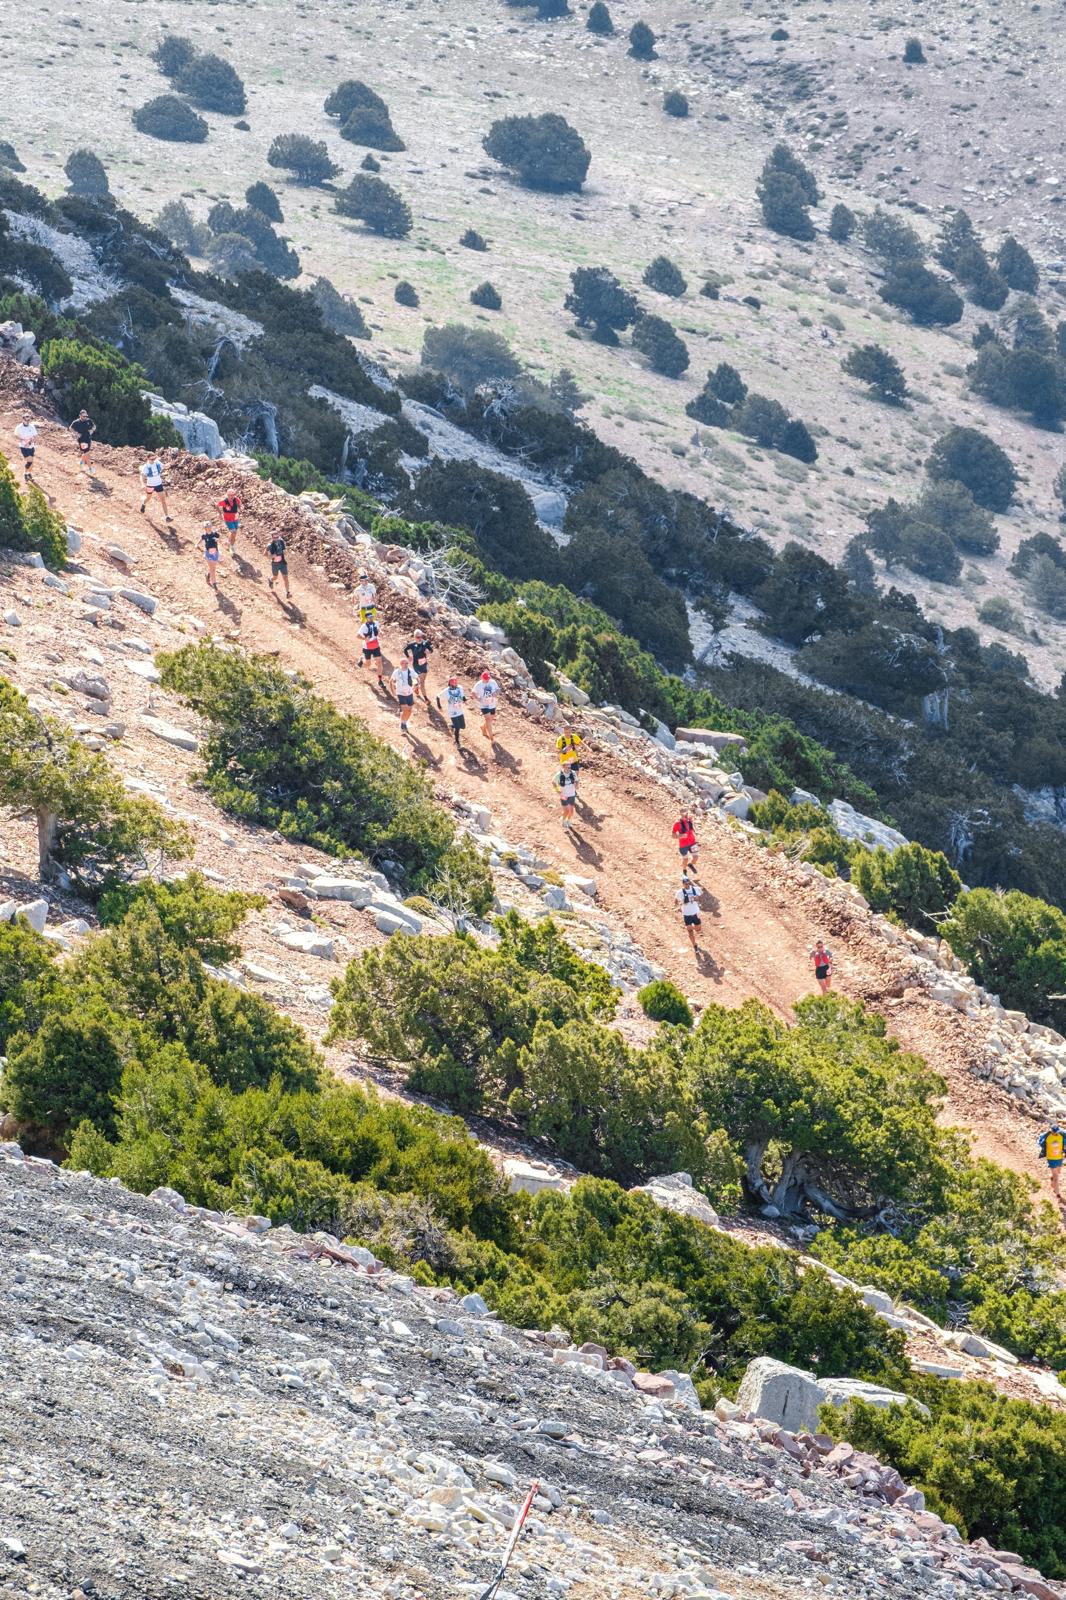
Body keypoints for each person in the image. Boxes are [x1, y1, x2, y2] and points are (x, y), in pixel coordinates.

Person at [139, 455, 173, 525]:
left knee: (163, 500)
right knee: (148, 498)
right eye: (152, 459)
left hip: (158, 484)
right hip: (150, 485)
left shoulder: (157, 462)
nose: (153, 460)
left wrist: (168, 465)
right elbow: (142, 476)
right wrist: (142, 484)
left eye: (154, 458)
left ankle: (167, 517)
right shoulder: (146, 467)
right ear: (148, 458)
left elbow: (163, 466)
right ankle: (143, 503)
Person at [1039, 1123, 1066, 1204]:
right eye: (1054, 1132)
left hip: (1059, 1158)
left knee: (1058, 1173)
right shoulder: (1047, 1136)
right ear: (1051, 1131)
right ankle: (1058, 1195)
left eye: (1056, 1132)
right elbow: (1040, 1142)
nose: (1055, 1133)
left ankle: (1052, 1179)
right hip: (1051, 1159)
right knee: (1056, 1177)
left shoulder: (1062, 1135)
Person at [437, 676, 466, 749]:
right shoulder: (446, 691)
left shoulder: (460, 688)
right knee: (458, 728)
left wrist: (464, 700)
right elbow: (438, 697)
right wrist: (439, 706)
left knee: (463, 726)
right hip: (452, 712)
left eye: (456, 684)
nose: (455, 685)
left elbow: (463, 697)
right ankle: (457, 742)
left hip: (460, 710)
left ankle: (451, 726)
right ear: (450, 684)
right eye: (454, 684)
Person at [472, 669, 499, 745]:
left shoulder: (493, 682)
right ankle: (491, 738)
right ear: (482, 678)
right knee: (488, 719)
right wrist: (479, 699)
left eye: (488, 678)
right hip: (484, 705)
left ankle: (483, 728)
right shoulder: (478, 685)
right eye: (486, 679)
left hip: (492, 703)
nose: (487, 680)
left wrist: (495, 693)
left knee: (491, 718)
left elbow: (498, 690)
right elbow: (473, 692)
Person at [404, 629, 433, 700]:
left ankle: (416, 686)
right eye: (417, 637)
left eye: (421, 637)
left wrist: (429, 651)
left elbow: (431, 650)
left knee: (422, 680)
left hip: (424, 665)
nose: (420, 638)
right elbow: (405, 649)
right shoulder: (412, 644)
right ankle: (426, 699)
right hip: (417, 665)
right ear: (414, 637)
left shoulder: (425, 643)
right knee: (422, 682)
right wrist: (408, 657)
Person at [676, 874, 702, 953]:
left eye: (688, 883)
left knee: (698, 929)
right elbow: (676, 901)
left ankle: (692, 927)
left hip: (695, 913)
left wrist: (696, 898)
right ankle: (695, 946)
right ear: (683, 884)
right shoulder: (680, 892)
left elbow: (700, 896)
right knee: (690, 931)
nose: (687, 885)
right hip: (686, 914)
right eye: (685, 883)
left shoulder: (695, 889)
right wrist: (682, 902)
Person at [391, 659, 417, 734]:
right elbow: (391, 681)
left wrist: (416, 685)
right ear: (401, 664)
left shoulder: (410, 671)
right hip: (401, 694)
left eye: (407, 663)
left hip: (409, 693)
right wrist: (393, 692)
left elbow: (417, 678)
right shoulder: (397, 672)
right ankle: (402, 724)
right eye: (404, 663)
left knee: (409, 711)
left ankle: (404, 723)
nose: (406, 665)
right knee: (405, 710)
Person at [358, 616, 385, 683]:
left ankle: (380, 680)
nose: (371, 618)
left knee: (379, 662)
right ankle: (362, 660)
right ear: (366, 618)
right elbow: (357, 636)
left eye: (372, 617)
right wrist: (364, 638)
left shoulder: (376, 623)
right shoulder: (363, 626)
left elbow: (377, 630)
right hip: (367, 647)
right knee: (368, 664)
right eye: (369, 617)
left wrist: (378, 633)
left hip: (375, 646)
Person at [69, 409, 96, 474]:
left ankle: (81, 463)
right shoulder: (76, 422)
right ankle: (90, 469)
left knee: (86, 453)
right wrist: (76, 434)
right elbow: (70, 428)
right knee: (86, 454)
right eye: (83, 416)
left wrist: (92, 430)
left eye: (86, 416)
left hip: (88, 439)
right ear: (80, 415)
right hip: (81, 440)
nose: (85, 417)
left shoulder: (89, 420)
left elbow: (94, 426)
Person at [14, 413, 37, 482]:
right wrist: (21, 439)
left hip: (31, 446)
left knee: (31, 462)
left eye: (28, 420)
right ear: (23, 419)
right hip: (23, 447)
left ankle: (29, 474)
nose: (27, 421)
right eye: (26, 419)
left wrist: (29, 442)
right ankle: (25, 474)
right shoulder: (19, 427)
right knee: (29, 461)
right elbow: (15, 435)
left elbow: (35, 436)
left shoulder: (32, 426)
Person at [199, 524, 221, 589]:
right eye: (208, 527)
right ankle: (214, 585)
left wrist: (218, 540)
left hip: (215, 553)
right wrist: (197, 544)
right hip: (208, 554)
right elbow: (201, 539)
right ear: (205, 528)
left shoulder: (215, 534)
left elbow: (219, 537)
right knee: (213, 570)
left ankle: (208, 575)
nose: (209, 528)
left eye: (210, 527)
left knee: (213, 568)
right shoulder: (204, 536)